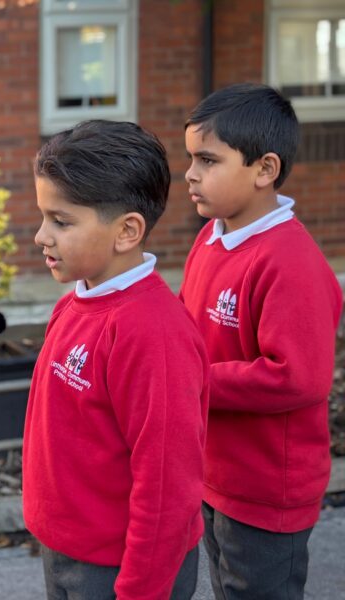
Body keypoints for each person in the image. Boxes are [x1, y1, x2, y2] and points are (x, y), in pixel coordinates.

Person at [22, 120, 209, 600]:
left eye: (61, 221)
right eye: (44, 216)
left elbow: (168, 484)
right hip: (66, 547)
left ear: (127, 231)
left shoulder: (154, 334)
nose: (41, 235)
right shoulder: (72, 304)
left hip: (121, 567)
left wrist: (141, 589)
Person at [179, 83, 342, 599]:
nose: (190, 174)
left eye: (208, 160)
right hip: (212, 473)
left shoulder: (290, 263)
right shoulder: (210, 237)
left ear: (264, 169)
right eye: (190, 158)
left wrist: (191, 381)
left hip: (267, 489)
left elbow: (296, 378)